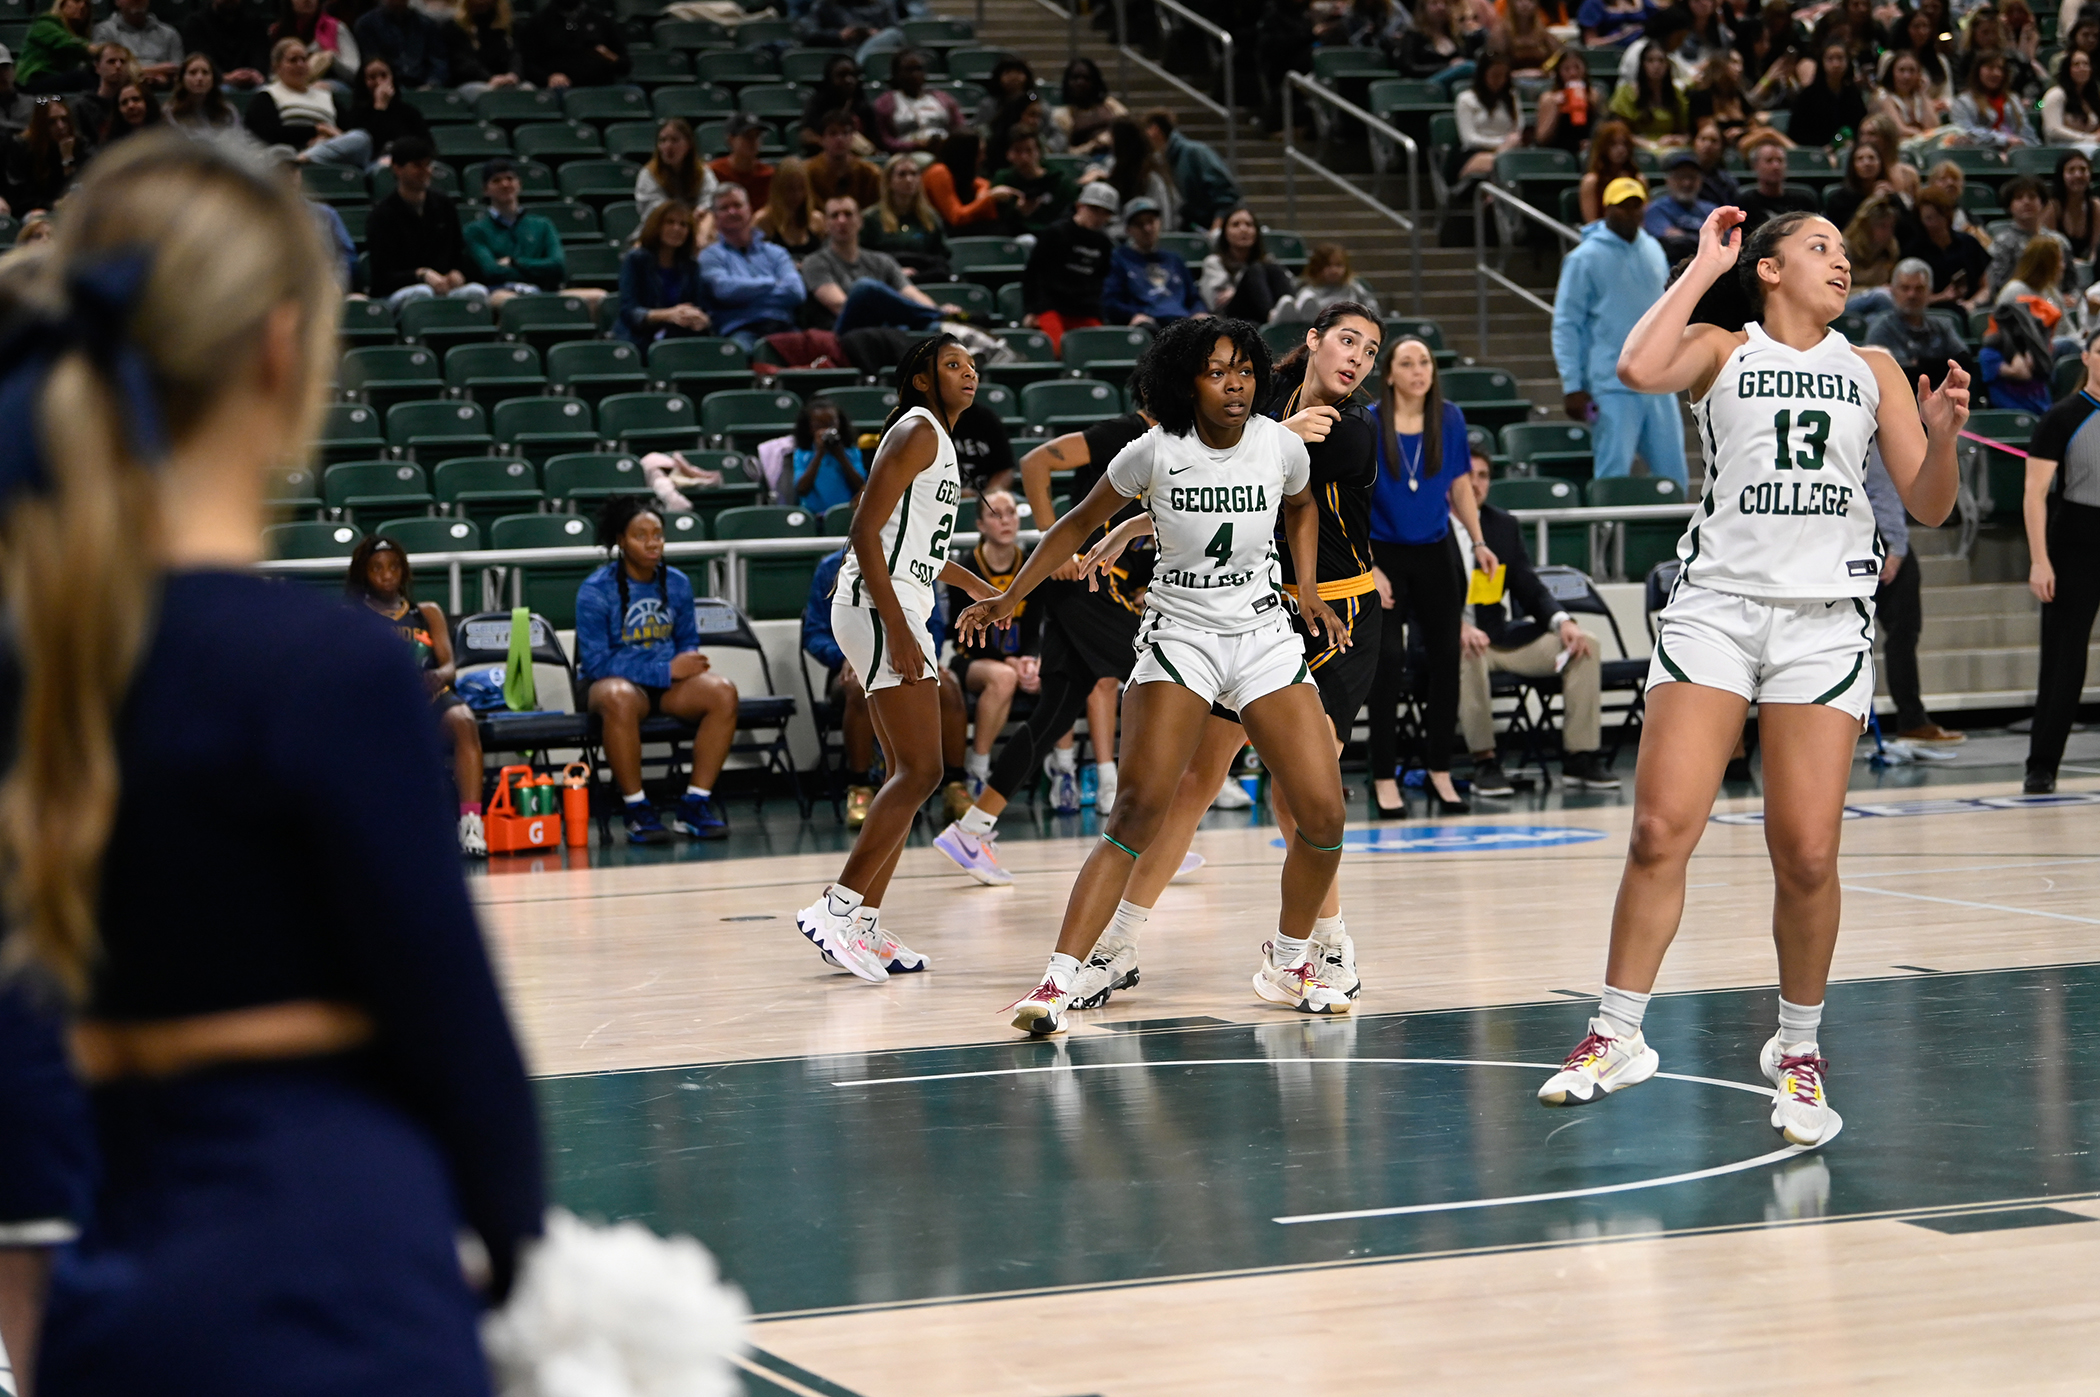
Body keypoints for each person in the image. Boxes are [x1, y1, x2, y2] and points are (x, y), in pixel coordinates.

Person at [5, 130, 542, 1397]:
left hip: (107, 1292)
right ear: (281, 347)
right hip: (336, 1269)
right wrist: (517, 1256)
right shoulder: (329, 671)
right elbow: (457, 1039)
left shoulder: (33, 664)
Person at [1535, 205, 1969, 1152]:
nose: (1841, 262)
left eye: (1846, 253)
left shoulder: (1876, 369)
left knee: (1808, 853)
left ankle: (1800, 1047)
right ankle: (1615, 1032)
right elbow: (1636, 370)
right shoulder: (1720, 346)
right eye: (1820, 248)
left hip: (1823, 624)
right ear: (1768, 268)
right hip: (1718, 610)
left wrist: (1940, 437)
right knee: (1660, 828)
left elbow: (1931, 507)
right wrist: (1701, 267)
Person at [958, 318, 1351, 1034]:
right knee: (1138, 807)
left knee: (1324, 815)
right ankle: (1054, 982)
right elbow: (1075, 523)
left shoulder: (1280, 443)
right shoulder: (1154, 451)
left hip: (1264, 634)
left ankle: (1291, 959)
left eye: (1244, 370)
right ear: (1183, 383)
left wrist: (1311, 588)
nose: (1234, 385)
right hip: (1182, 637)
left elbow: (1299, 504)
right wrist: (1013, 594)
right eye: (1215, 372)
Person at [1057, 303, 1388, 1009]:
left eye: (1371, 349)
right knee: (1190, 785)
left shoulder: (1352, 430)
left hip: (1337, 614)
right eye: (1347, 339)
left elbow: (1257, 470)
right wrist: (1138, 522)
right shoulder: (1263, 400)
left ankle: (1326, 942)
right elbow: (1212, 491)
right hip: (1244, 613)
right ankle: (1117, 942)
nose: (1358, 356)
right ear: (1313, 341)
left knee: (1305, 795)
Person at [795, 337, 995, 980]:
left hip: (900, 600)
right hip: (879, 605)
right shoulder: (916, 431)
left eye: (971, 364)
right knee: (920, 770)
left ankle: (865, 923)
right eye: (952, 365)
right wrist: (899, 629)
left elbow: (918, 547)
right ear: (919, 381)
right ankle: (838, 905)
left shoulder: (934, 436)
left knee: (909, 773)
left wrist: (975, 587)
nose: (968, 373)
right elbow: (862, 532)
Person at [933, 400, 1161, 883]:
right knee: (1165, 682)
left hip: (1100, 589)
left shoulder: (1180, 447)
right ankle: (1150, 837)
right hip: (1080, 585)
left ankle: (971, 829)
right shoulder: (1126, 430)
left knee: (1054, 713)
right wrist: (1052, 540)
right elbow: (1036, 463)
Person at [1361, 335, 1499, 818]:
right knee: (1388, 662)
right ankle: (1383, 776)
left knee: (1446, 660)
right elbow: (1354, 501)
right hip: (1383, 553)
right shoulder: (1371, 421)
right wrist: (1369, 566)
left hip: (1437, 551)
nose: (1419, 370)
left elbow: (1460, 485)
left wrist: (1479, 541)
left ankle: (1440, 770)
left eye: (1425, 362)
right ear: (1390, 373)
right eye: (1407, 362)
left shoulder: (1452, 418)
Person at [1452, 451, 1618, 793]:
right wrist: (1457, 628)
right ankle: (1484, 761)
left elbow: (1529, 586)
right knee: (1467, 651)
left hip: (1499, 637)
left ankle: (1580, 758)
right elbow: (1416, 596)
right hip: (1450, 640)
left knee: (1584, 644)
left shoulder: (1503, 525)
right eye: (1469, 474)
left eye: (1484, 475)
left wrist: (1563, 622)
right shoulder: (1429, 526)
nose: (1476, 483)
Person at [576, 496, 738, 842]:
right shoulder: (595, 590)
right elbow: (597, 663)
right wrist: (666, 671)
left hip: (666, 685)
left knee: (722, 691)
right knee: (619, 696)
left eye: (658, 534)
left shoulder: (677, 582)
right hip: (609, 684)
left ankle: (694, 805)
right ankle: (636, 809)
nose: (653, 543)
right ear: (620, 540)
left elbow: (687, 642)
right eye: (641, 535)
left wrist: (685, 664)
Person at [346, 536, 488, 856]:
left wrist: (437, 675)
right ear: (363, 574)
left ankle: (470, 822)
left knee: (464, 720)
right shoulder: (353, 616)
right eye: (377, 568)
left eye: (394, 567)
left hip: (430, 697)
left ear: (405, 571)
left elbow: (450, 664)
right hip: (382, 704)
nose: (387, 575)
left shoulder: (427, 612)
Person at [1553, 177, 1689, 486]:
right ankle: (1606, 536)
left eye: (1635, 206)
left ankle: (1670, 535)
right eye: (1622, 207)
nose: (1629, 213)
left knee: (1674, 479)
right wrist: (1572, 384)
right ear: (1607, 209)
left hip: (1659, 384)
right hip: (1610, 386)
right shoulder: (1583, 258)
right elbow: (1566, 324)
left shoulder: (1653, 248)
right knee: (1611, 477)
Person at [2021, 327, 2100, 792]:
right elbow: (2034, 495)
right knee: (2064, 661)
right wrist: (2039, 560)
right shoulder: (2062, 417)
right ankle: (2042, 764)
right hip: (2076, 540)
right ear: (2086, 357)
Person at [948, 488, 1044, 796]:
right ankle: (977, 769)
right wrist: (1009, 661)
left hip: (1018, 658)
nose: (1006, 521)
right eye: (995, 514)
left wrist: (1032, 658)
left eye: (1011, 513)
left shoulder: (1031, 564)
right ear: (980, 525)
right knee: (1004, 677)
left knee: (1053, 673)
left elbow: (1035, 626)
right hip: (973, 658)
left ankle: (1062, 769)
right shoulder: (965, 568)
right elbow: (962, 632)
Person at [802, 193, 961, 334]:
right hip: (846, 334)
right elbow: (840, 306)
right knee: (864, 289)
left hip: (887, 331)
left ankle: (946, 321)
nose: (842, 221)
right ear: (827, 223)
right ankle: (943, 317)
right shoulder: (815, 262)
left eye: (848, 214)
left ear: (860, 221)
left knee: (934, 330)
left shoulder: (882, 261)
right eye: (835, 216)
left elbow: (911, 293)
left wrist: (935, 309)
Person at [365, 134, 486, 310]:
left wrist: (457, 273)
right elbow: (382, 277)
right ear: (397, 169)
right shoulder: (381, 215)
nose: (426, 171)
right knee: (421, 294)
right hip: (399, 292)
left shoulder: (444, 205)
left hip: (443, 288)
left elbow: (458, 254)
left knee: (476, 292)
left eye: (428, 165)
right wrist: (420, 274)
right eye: (417, 166)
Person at [802, 548, 878, 824]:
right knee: (860, 686)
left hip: (900, 659)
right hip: (847, 668)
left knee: (947, 687)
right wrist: (847, 654)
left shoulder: (912, 557)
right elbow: (814, 634)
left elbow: (934, 624)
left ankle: (955, 786)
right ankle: (859, 786)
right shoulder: (830, 567)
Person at [466, 157, 591, 304]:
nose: (505, 184)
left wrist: (516, 262)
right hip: (501, 291)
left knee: (598, 297)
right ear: (485, 190)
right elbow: (492, 271)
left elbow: (557, 266)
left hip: (545, 290)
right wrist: (538, 270)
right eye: (496, 180)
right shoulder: (475, 230)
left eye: (510, 178)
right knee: (509, 302)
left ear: (519, 184)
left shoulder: (543, 225)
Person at [701, 182, 805, 352]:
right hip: (740, 331)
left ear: (749, 209)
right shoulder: (711, 256)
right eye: (724, 208)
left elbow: (795, 292)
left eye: (737, 205)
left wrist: (745, 293)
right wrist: (772, 282)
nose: (732, 211)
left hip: (784, 327)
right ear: (715, 216)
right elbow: (724, 291)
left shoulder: (776, 253)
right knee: (738, 356)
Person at [1020, 179, 1116, 350]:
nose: (1098, 217)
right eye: (1094, 210)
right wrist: (1031, 310)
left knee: (1101, 349)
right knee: (1056, 349)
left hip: (1085, 309)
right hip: (1051, 305)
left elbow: (1101, 278)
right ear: (1080, 206)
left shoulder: (1104, 243)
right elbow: (1032, 274)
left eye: (1105, 213)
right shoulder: (1055, 233)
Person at [246, 37, 363, 165]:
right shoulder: (267, 95)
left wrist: (332, 139)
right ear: (277, 67)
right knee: (282, 151)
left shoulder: (326, 96)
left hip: (328, 150)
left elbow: (347, 129)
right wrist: (316, 130)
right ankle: (306, 157)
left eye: (304, 59)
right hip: (289, 153)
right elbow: (270, 133)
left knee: (361, 138)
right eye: (293, 60)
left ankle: (312, 155)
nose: (300, 65)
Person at [1868, 256, 1974, 385]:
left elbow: (1965, 364)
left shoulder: (1943, 324)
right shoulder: (1882, 327)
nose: (1911, 295)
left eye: (1919, 289)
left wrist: (1920, 363)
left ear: (1930, 292)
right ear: (1893, 291)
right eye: (1905, 288)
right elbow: (1904, 376)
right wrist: (1941, 366)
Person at [616, 198, 708, 345]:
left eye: (683, 224)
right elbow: (629, 312)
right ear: (656, 226)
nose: (677, 229)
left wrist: (701, 319)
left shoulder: (691, 265)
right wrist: (668, 315)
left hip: (680, 336)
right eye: (670, 222)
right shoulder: (636, 260)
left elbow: (700, 306)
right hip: (639, 338)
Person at [1101, 197, 1204, 326]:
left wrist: (1199, 312)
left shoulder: (1174, 260)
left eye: (1151, 222)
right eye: (1139, 224)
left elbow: (1193, 298)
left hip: (1182, 322)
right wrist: (1132, 315)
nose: (1147, 228)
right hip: (1149, 323)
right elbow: (1112, 301)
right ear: (1128, 229)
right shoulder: (1119, 259)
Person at [1143, 108, 1239, 232]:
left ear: (1155, 129)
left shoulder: (1194, 152)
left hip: (1210, 227)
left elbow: (1225, 192)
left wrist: (1217, 226)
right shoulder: (1163, 159)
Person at [1199, 203, 1294, 322]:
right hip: (1230, 316)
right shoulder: (1214, 262)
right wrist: (1241, 289)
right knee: (1255, 269)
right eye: (1235, 225)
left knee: (1271, 267)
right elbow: (1216, 301)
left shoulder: (1268, 261)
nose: (1243, 229)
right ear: (1225, 233)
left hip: (1257, 315)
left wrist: (1233, 291)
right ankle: (1272, 318)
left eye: (1249, 225)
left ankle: (1293, 314)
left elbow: (1288, 282)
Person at [1905, 184, 1991, 308]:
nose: (1935, 223)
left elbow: (1986, 285)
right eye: (1928, 218)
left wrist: (1972, 303)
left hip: (1972, 307)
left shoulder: (1969, 243)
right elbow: (1908, 297)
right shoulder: (1913, 250)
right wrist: (1943, 297)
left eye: (1939, 216)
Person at [864, 152, 948, 276]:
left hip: (924, 276)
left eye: (914, 174)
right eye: (902, 174)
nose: (909, 180)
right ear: (889, 181)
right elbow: (863, 259)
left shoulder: (930, 217)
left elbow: (942, 257)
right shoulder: (871, 218)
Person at [1988, 177, 2075, 297]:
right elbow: (1998, 285)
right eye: (2019, 198)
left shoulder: (2058, 241)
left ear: (2042, 203)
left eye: (2032, 197)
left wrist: (2069, 296)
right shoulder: (2001, 243)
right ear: (2010, 206)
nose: (2026, 202)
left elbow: (2072, 283)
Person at [518, 0, 627, 89]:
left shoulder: (600, 19)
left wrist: (609, 56)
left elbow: (625, 66)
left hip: (601, 87)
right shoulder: (538, 22)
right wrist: (548, 77)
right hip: (559, 89)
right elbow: (527, 64)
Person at [3, 99, 88, 213]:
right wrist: (50, 205)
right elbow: (19, 198)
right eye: (52, 122)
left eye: (64, 119)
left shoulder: (78, 143)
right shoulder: (22, 146)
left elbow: (79, 186)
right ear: (40, 124)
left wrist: (67, 159)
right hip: (35, 208)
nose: (60, 126)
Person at [343, 55, 431, 165]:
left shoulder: (409, 112)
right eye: (372, 77)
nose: (379, 82)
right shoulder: (356, 113)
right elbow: (365, 145)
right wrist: (380, 107)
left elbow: (427, 145)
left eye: (383, 76)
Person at [874, 48, 961, 157]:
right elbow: (885, 140)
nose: (915, 74)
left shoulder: (943, 98)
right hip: (907, 155)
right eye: (909, 70)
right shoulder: (885, 102)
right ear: (896, 73)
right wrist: (915, 145)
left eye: (919, 69)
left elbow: (959, 128)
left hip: (945, 149)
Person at [991, 126, 1076, 238]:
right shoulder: (1002, 180)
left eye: (1029, 150)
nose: (1024, 157)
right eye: (1018, 151)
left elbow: (1070, 216)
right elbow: (998, 220)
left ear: (1039, 152)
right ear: (1008, 154)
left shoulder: (1060, 181)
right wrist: (1017, 211)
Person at [921, 130, 1014, 231]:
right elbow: (956, 218)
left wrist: (983, 193)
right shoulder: (939, 172)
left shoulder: (956, 172)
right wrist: (988, 199)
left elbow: (982, 183)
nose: (983, 158)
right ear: (966, 154)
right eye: (979, 153)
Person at [1270, 241, 1383, 324]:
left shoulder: (1354, 288)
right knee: (1293, 301)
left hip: (1346, 328)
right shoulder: (1307, 290)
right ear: (1317, 267)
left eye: (1338, 265)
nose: (1334, 270)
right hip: (1310, 333)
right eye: (1328, 266)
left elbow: (1373, 311)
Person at [1454, 51, 1524, 182]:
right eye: (1495, 75)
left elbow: (1518, 128)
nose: (1500, 81)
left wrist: (1509, 145)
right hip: (1475, 153)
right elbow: (1469, 139)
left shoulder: (1512, 97)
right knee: (1500, 163)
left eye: (1504, 76)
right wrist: (1502, 144)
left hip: (1510, 151)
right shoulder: (1466, 99)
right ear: (1483, 75)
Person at [635, 116, 717, 228]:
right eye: (663, 140)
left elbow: (711, 199)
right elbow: (653, 211)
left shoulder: (703, 172)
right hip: (659, 230)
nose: (668, 146)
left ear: (688, 145)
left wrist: (701, 210)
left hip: (696, 227)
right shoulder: (648, 173)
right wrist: (685, 217)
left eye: (675, 140)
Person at [1611, 37, 1691, 147]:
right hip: (1639, 147)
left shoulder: (1676, 94)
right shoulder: (1627, 92)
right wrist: (1649, 144)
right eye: (1650, 60)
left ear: (1667, 65)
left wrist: (1677, 139)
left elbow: (1685, 132)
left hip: (1669, 147)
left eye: (1661, 61)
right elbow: (1620, 131)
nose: (1656, 66)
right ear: (1642, 65)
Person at [1787, 38, 1866, 149]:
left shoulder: (1853, 94)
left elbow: (1860, 127)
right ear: (1822, 62)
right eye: (1830, 59)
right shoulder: (1808, 96)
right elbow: (1796, 133)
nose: (1836, 64)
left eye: (1840, 58)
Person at [792, 395, 863, 512]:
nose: (825, 430)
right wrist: (819, 454)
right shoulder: (802, 454)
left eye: (830, 424)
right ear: (809, 428)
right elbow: (801, 489)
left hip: (846, 514)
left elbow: (860, 485)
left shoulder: (851, 452)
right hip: (814, 514)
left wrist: (841, 456)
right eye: (819, 426)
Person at [1952, 50, 2036, 149]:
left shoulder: (2013, 100)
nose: (1997, 73)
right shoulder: (1963, 102)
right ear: (1978, 71)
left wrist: (2022, 143)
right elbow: (1965, 131)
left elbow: (2028, 134)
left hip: (2016, 153)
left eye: (2000, 69)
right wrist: (2004, 140)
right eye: (1990, 68)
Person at [797, 54, 878, 156]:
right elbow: (805, 135)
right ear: (830, 78)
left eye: (853, 75)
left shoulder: (863, 106)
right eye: (842, 75)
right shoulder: (818, 103)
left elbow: (874, 141)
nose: (849, 80)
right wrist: (832, 144)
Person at [1736, 133, 1818, 233]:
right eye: (1769, 161)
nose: (1776, 166)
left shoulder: (1804, 199)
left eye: (1780, 160)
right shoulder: (1745, 202)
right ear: (1755, 166)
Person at [805, 108, 885, 211]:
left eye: (845, 133)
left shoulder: (871, 173)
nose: (840, 139)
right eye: (833, 133)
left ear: (853, 137)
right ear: (821, 139)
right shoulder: (807, 172)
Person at [352, 0, 444, 88]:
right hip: (383, 86)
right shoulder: (366, 24)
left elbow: (438, 61)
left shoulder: (426, 24)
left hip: (423, 87)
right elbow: (371, 62)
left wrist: (431, 84)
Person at [1645, 149, 1718, 261]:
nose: (1686, 183)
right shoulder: (1656, 210)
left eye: (1692, 177)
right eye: (1680, 177)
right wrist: (1707, 239)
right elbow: (1673, 244)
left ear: (1700, 181)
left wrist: (1684, 236)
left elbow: (1725, 241)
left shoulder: (1711, 210)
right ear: (1668, 180)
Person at [95, 0, 183, 87]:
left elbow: (177, 68)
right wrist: (159, 70)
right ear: (117, 1)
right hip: (119, 93)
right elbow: (108, 69)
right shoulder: (105, 31)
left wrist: (133, 72)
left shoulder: (169, 33)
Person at [275, 0, 361, 87]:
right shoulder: (278, 31)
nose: (307, 1)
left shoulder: (336, 28)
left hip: (331, 87)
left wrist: (332, 58)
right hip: (289, 87)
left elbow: (355, 73)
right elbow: (272, 74)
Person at [446, 0, 520, 101]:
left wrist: (513, 74)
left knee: (527, 90)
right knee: (485, 94)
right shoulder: (455, 26)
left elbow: (516, 54)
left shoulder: (508, 25)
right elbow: (461, 61)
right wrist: (489, 78)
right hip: (472, 82)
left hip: (508, 80)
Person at [1051, 56, 1126, 155]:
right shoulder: (1061, 115)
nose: (1080, 83)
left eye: (1086, 78)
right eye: (1075, 78)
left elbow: (1128, 126)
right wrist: (1092, 146)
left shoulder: (1110, 104)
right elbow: (1064, 153)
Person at [754, 154, 824, 259]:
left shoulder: (817, 221)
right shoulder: (763, 221)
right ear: (779, 188)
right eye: (790, 189)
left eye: (801, 188)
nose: (797, 194)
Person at [1537, 47, 1602, 155]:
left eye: (1577, 67)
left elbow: (1601, 128)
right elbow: (1541, 138)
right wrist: (1556, 110)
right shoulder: (1548, 98)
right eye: (1566, 69)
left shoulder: (1594, 95)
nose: (1573, 73)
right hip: (1556, 150)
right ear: (1559, 72)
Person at [1579, 118, 1644, 223]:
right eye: (1613, 144)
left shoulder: (1638, 179)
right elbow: (1591, 223)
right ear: (1603, 147)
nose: (1621, 149)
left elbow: (1643, 218)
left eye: (1624, 144)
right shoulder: (1591, 181)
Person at [708, 111, 774, 209]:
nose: (753, 141)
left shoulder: (769, 175)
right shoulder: (713, 172)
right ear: (730, 139)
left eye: (757, 136)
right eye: (747, 136)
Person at [2046, 148, 2100, 267]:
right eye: (2071, 170)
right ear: (2062, 175)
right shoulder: (2052, 207)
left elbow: (2096, 248)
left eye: (2083, 170)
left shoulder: (2095, 206)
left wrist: (2089, 263)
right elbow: (2050, 249)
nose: (2078, 175)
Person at [1821, 139, 1889, 233]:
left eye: (1872, 158)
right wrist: (1873, 201)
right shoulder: (1839, 199)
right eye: (1860, 159)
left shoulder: (1890, 196)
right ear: (1852, 165)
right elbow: (1850, 230)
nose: (1867, 163)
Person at [165, 50, 240, 134]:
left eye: (205, 72)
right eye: (192, 73)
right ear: (182, 79)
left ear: (213, 78)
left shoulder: (228, 112)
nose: (199, 78)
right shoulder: (170, 114)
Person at [1876, 47, 1943, 140]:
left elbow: (1934, 126)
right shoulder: (1885, 98)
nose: (1906, 76)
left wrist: (1923, 94)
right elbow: (1899, 130)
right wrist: (1924, 134)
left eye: (1912, 71)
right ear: (1892, 73)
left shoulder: (1919, 97)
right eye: (1901, 70)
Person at [2041, 47, 2100, 148]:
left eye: (2086, 64)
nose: (2082, 68)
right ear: (2067, 69)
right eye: (2076, 65)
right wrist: (2088, 138)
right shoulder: (2056, 94)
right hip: (2063, 147)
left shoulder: (2093, 96)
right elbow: (2052, 130)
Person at [1689, 119, 1741, 205]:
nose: (1707, 144)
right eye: (1703, 139)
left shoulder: (1728, 182)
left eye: (1714, 141)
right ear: (1694, 143)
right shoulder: (1684, 178)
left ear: (1722, 148)